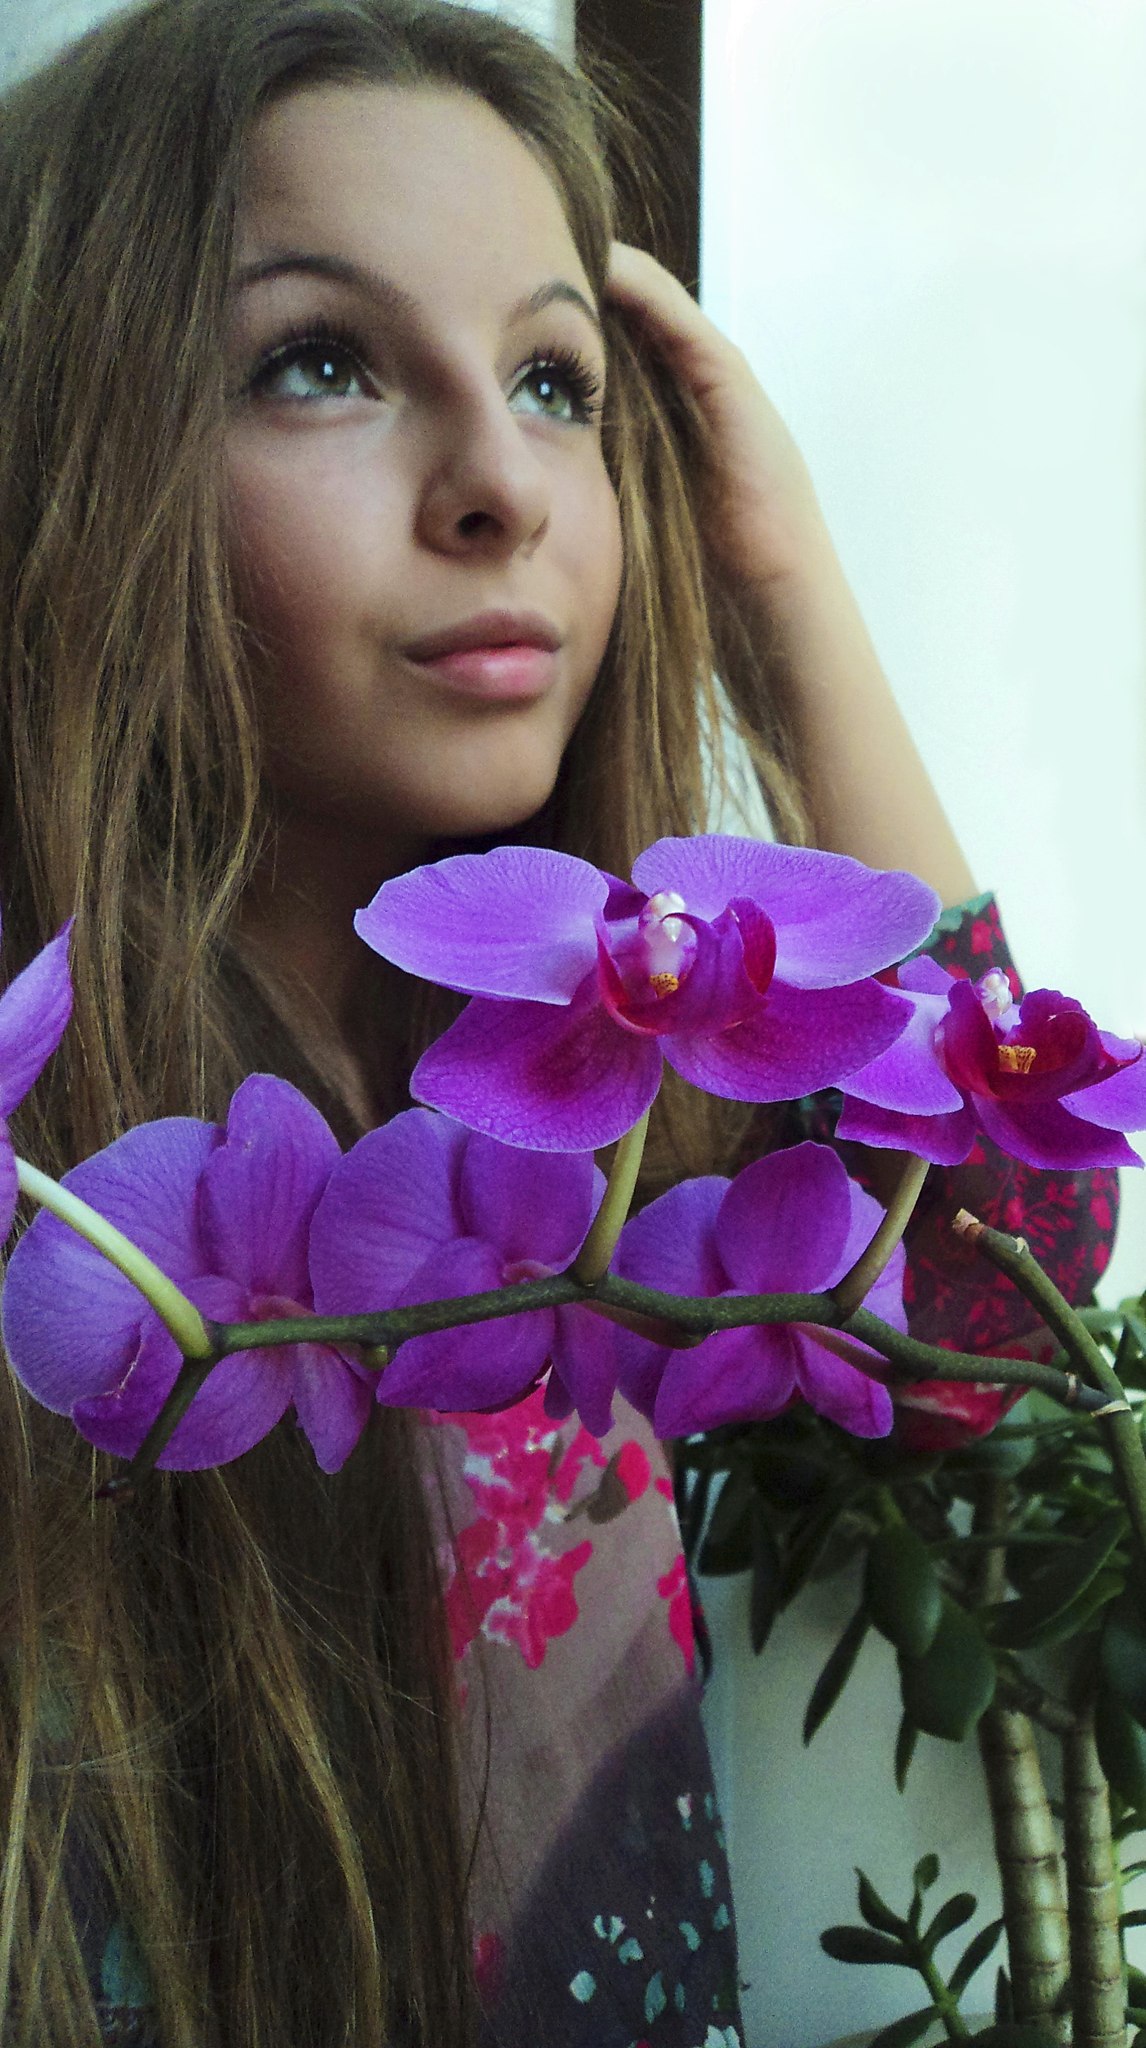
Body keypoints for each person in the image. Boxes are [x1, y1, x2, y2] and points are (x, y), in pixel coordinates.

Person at [0, 2, 1116, 2043]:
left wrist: (779, 581)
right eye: (319, 361)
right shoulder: (51, 1207)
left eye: (553, 380)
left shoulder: (618, 1144)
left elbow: (1011, 1259)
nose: (501, 486)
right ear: (78, 441)